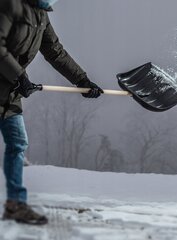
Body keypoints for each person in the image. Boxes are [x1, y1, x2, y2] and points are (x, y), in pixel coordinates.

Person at [0, 0, 103, 225]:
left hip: (9, 94)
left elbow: (55, 52)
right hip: (11, 83)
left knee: (17, 143)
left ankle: (16, 205)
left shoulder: (41, 17)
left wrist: (82, 80)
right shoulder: (10, 5)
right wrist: (19, 77)